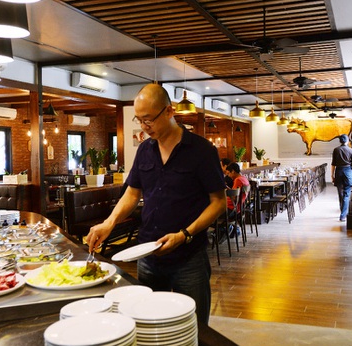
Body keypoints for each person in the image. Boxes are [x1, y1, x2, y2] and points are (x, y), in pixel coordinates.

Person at [85, 83, 226, 325]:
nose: (144, 127)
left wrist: (185, 234)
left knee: (194, 327)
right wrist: (108, 224)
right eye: (139, 120)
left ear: (170, 112)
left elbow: (218, 202)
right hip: (148, 255)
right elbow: (131, 193)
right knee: (148, 324)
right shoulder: (144, 150)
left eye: (148, 120)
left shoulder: (202, 150)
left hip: (189, 257)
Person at [331, 134, 352, 221]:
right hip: (348, 172)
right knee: (346, 195)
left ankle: (343, 212)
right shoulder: (351, 150)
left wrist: (332, 175)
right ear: (347, 141)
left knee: (340, 194)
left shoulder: (336, 150)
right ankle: (343, 215)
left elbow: (333, 164)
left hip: (338, 172)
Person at [225, 162, 249, 234]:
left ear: (233, 171)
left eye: (229, 173)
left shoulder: (238, 180)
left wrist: (226, 191)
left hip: (231, 209)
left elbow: (235, 198)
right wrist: (229, 190)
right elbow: (236, 194)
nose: (229, 176)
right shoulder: (244, 178)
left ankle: (224, 230)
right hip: (238, 208)